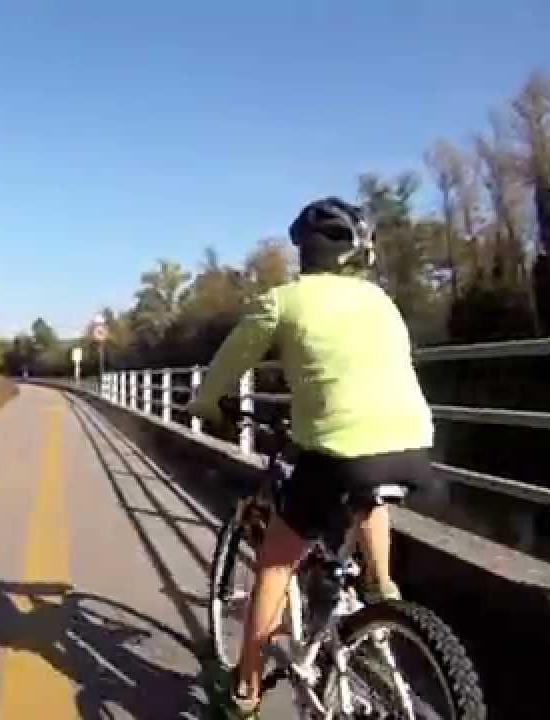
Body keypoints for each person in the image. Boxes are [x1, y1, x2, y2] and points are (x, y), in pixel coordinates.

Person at [188, 197, 434, 718]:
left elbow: (221, 373)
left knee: (275, 564)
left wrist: (207, 404)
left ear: (305, 251)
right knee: (367, 495)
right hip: (411, 445)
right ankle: (380, 591)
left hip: (337, 453)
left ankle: (247, 691)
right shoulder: (381, 301)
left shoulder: (281, 301)